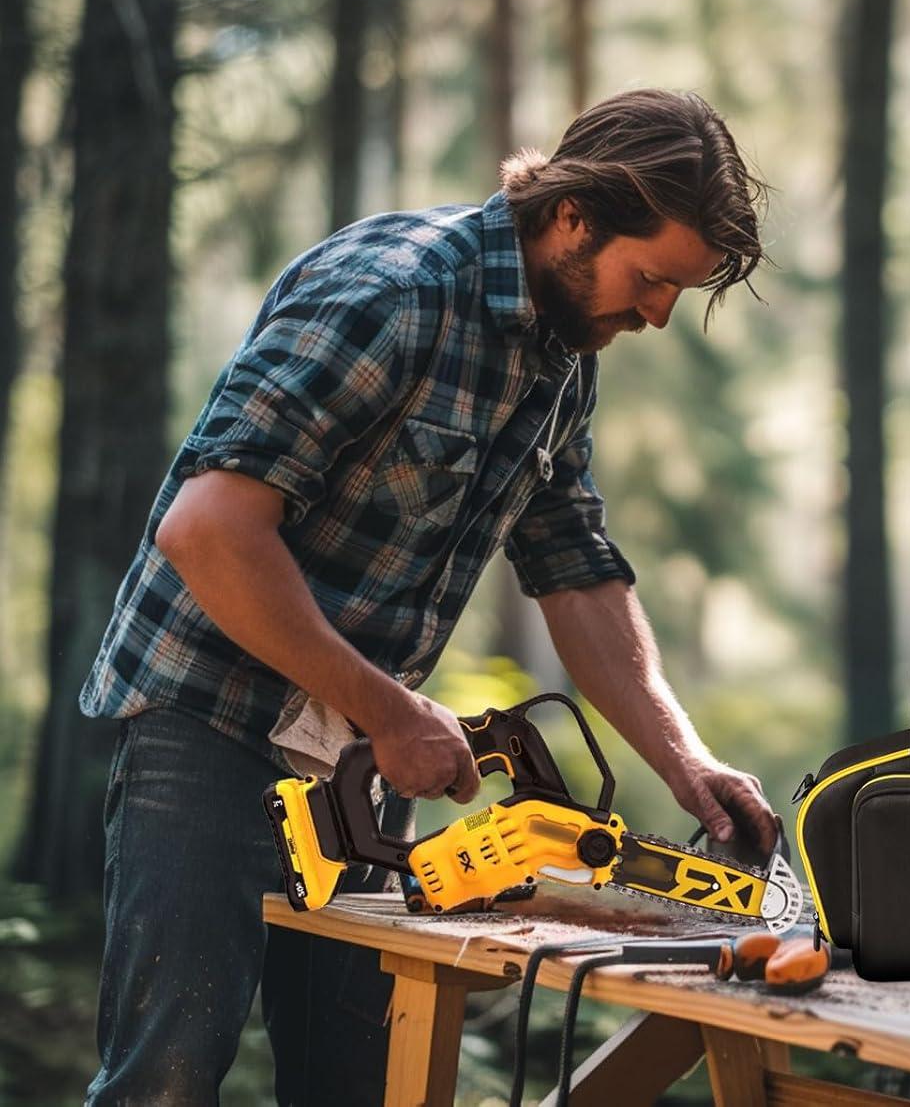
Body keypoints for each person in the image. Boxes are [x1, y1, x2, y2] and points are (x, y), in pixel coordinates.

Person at [79, 87, 777, 1106]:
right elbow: (208, 533)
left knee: (368, 1081)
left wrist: (684, 758)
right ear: (573, 215)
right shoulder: (391, 294)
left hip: (360, 763)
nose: (658, 314)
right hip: (207, 727)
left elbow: (575, 568)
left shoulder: (561, 356)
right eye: (651, 279)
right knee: (167, 1081)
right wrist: (391, 709)